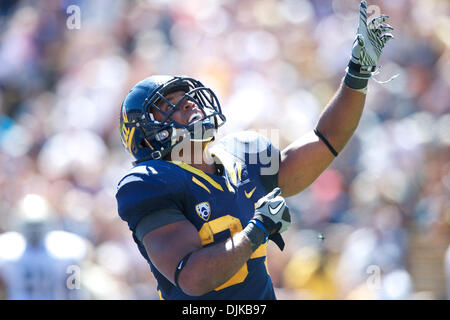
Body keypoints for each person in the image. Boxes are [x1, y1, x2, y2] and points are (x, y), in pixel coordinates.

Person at [115, 1, 394, 300]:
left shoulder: (245, 153)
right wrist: (257, 229)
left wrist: (358, 73)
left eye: (187, 96)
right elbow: (194, 277)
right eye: (168, 102)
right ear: (145, 136)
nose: (188, 103)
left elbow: (327, 139)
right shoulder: (148, 183)